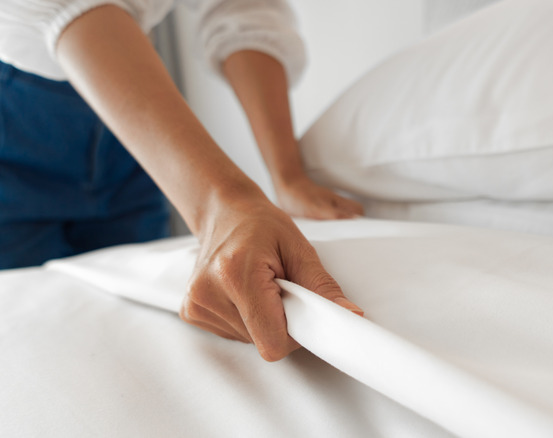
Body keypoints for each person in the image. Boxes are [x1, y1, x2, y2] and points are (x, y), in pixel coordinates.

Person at [0, 0, 363, 361]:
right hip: (15, 130)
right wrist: (223, 204)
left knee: (131, 331)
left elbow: (241, 8)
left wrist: (288, 176)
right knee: (30, 339)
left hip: (130, 132)